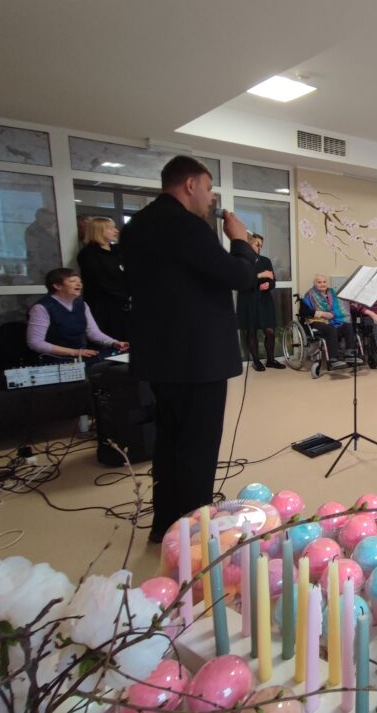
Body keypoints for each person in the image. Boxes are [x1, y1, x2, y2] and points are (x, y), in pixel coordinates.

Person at [120, 155, 269, 543]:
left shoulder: (137, 226)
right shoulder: (187, 225)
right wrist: (241, 241)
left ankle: (165, 525)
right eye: (208, 188)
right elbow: (238, 276)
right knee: (198, 447)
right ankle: (193, 535)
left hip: (159, 354)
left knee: (170, 441)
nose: (211, 197)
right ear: (190, 185)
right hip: (197, 356)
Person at [26, 267, 129, 362]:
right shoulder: (41, 308)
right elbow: (35, 343)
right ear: (57, 286)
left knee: (123, 357)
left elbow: (93, 333)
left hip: (80, 355)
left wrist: (114, 342)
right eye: (72, 281)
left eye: (80, 282)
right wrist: (75, 352)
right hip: (55, 358)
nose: (79, 284)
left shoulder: (82, 305)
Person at [234, 233, 283, 371]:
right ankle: (256, 361)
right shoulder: (240, 261)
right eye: (257, 245)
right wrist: (260, 276)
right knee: (251, 331)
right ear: (249, 244)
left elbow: (273, 280)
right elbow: (241, 281)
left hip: (264, 300)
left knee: (270, 331)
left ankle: (271, 360)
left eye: (261, 245)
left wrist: (269, 284)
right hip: (248, 300)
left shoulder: (265, 261)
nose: (260, 248)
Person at [76, 216, 130, 338]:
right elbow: (101, 281)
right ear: (99, 231)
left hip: (123, 306)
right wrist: (126, 295)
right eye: (111, 228)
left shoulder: (117, 251)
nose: (116, 231)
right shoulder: (89, 254)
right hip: (104, 307)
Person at [301, 274, 359, 369]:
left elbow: (343, 303)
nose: (322, 284)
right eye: (319, 282)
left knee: (347, 326)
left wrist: (353, 304)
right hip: (318, 321)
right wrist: (322, 313)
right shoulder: (310, 294)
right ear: (314, 283)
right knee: (330, 329)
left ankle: (350, 353)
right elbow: (303, 311)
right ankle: (333, 359)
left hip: (334, 320)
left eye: (324, 282)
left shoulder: (333, 293)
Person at [24, 207, 61, 283]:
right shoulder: (33, 231)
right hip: (42, 271)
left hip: (58, 269)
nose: (53, 219)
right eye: (51, 217)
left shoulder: (58, 228)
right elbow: (33, 252)